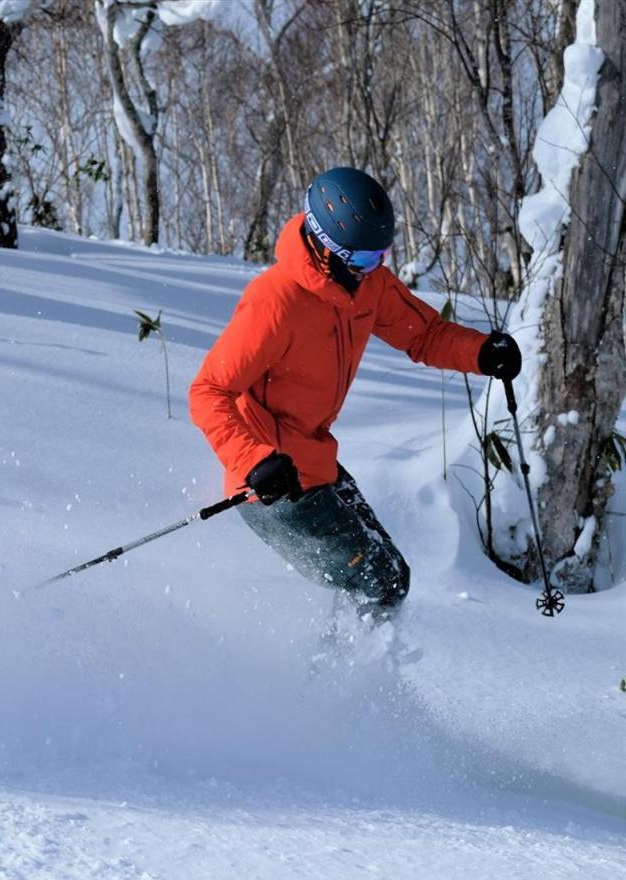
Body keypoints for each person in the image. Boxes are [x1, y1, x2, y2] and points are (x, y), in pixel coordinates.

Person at [188, 167, 521, 620]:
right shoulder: (276, 301)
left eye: (380, 256)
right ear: (327, 247)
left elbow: (423, 335)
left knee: (376, 583)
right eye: (363, 260)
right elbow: (208, 391)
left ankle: (331, 680)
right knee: (383, 585)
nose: (373, 268)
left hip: (316, 463)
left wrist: (481, 353)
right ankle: (340, 686)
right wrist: (253, 461)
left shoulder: (369, 285)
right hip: (273, 485)